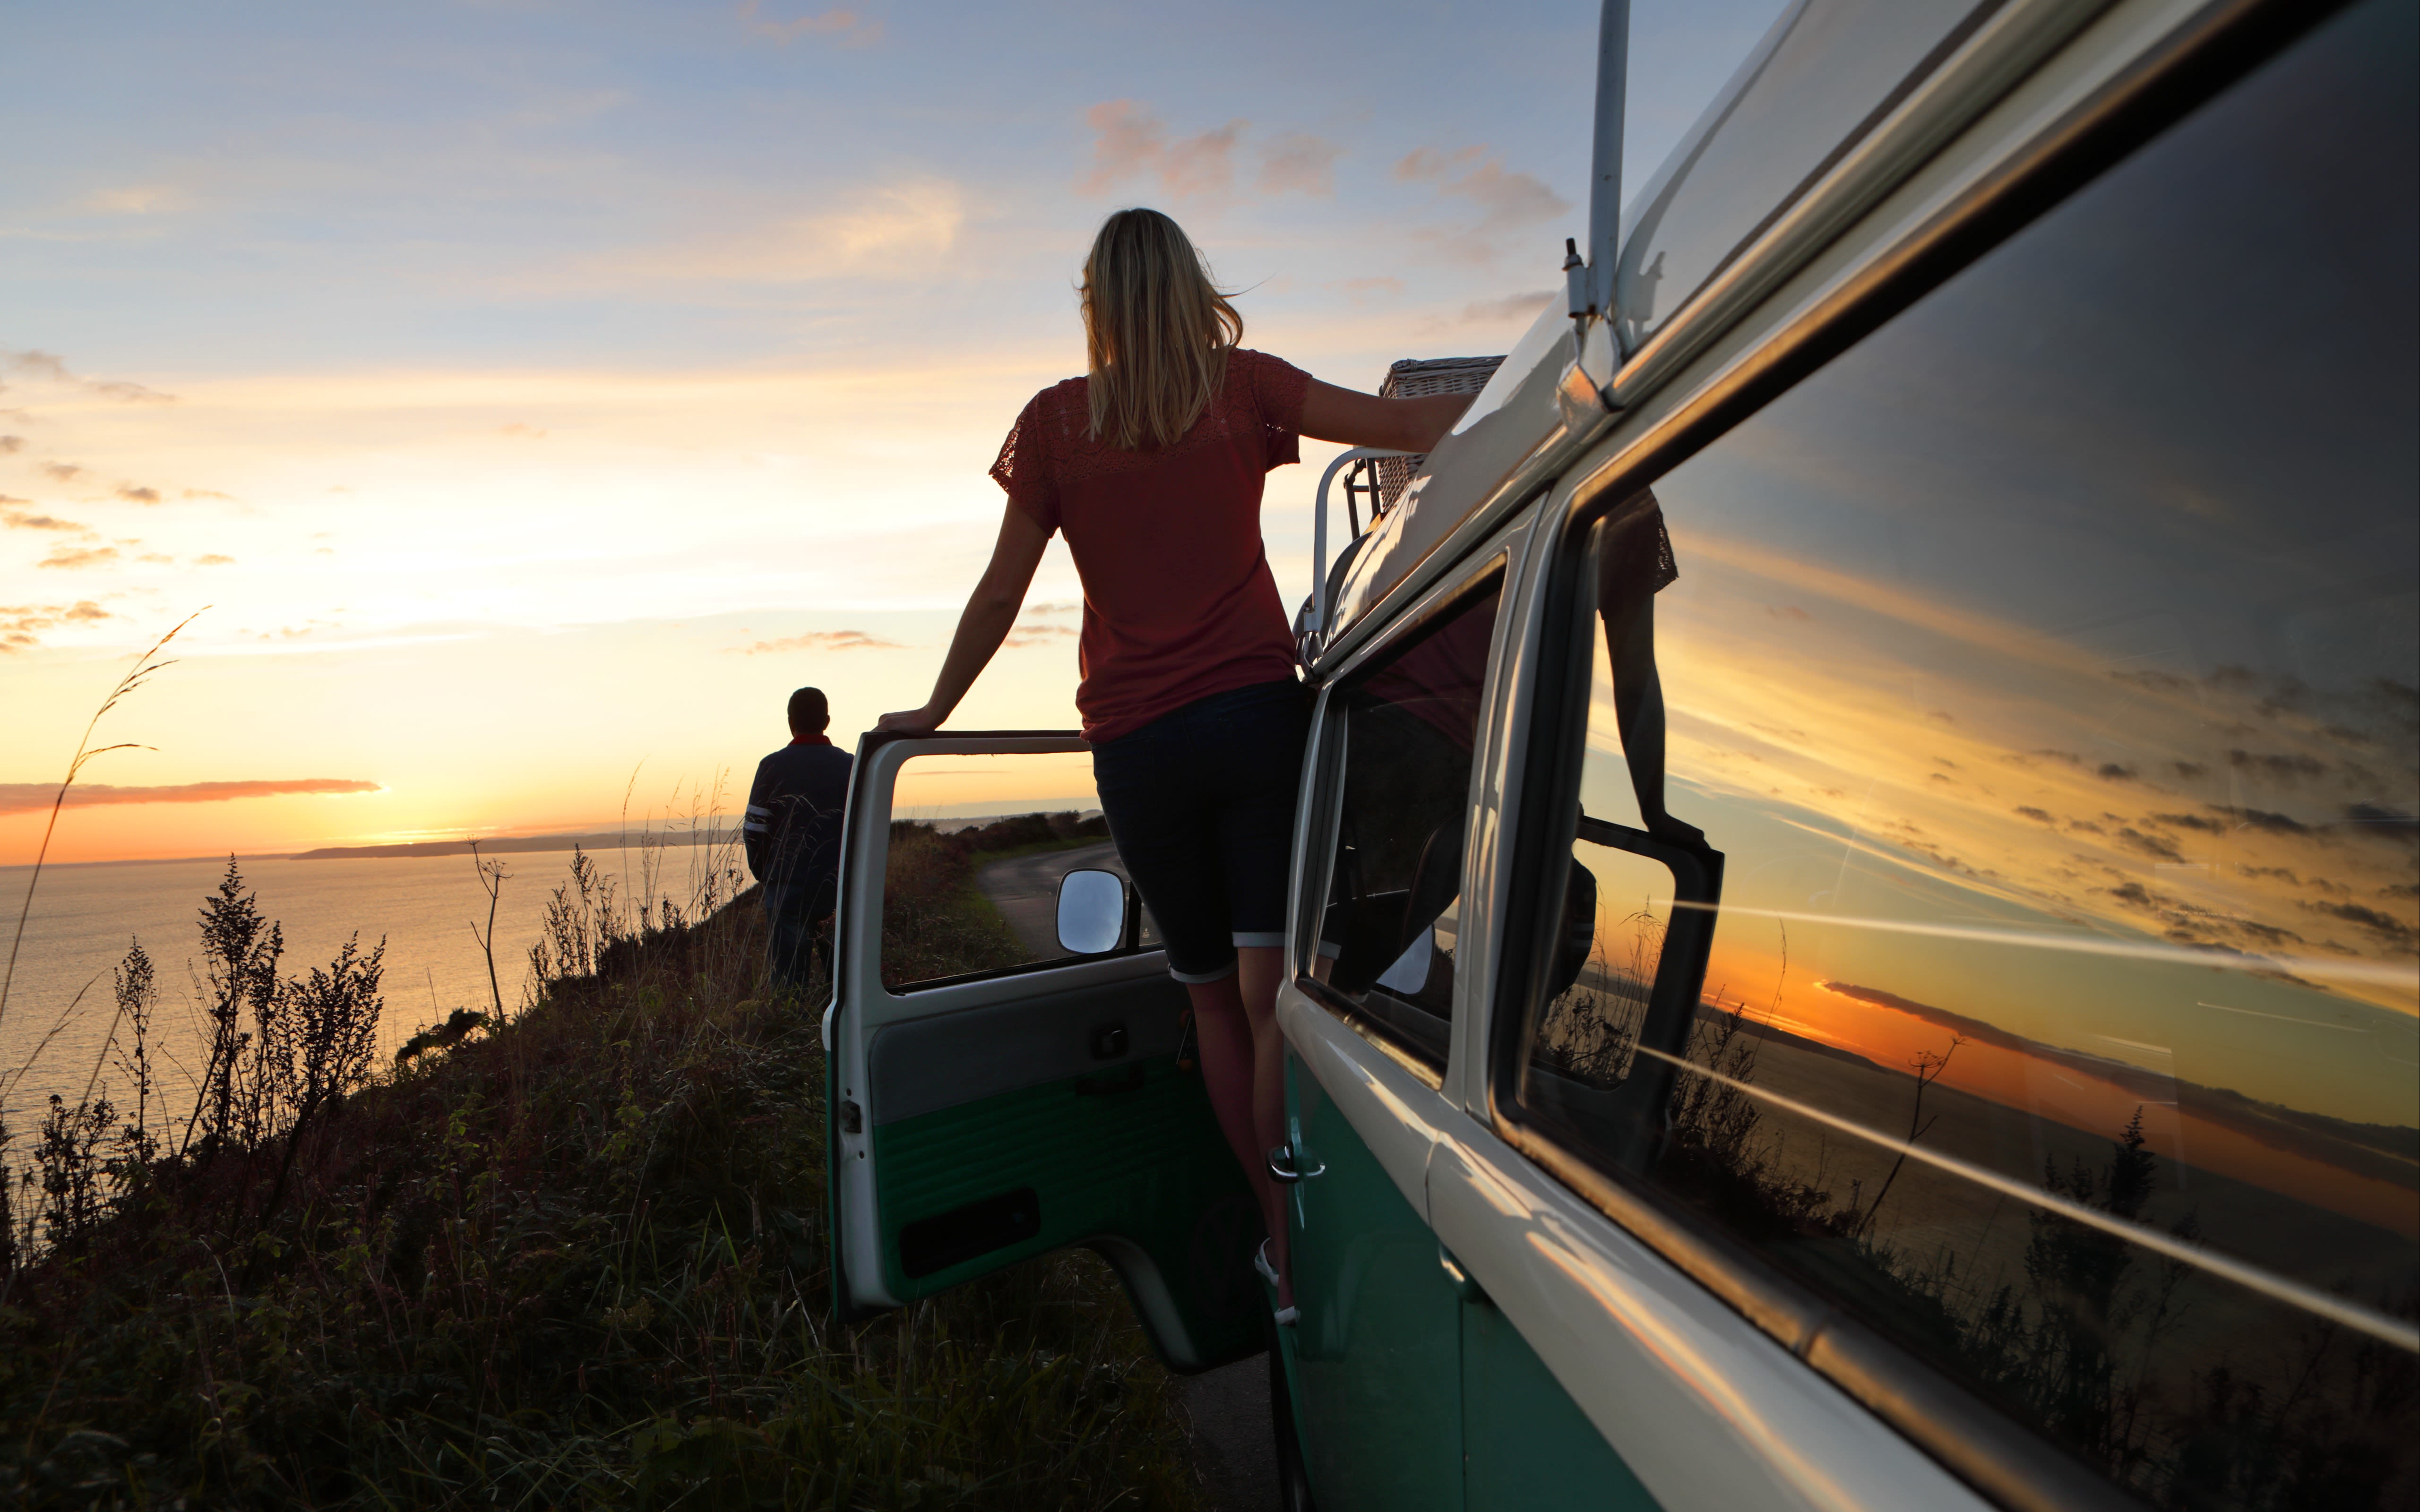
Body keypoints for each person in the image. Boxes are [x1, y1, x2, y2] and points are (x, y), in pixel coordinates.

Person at [876, 208, 1472, 1317]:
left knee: (1209, 1007)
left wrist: (933, 707)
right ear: (1191, 284)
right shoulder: (1242, 387)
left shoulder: (1055, 425)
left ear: (1095, 303)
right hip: (1255, 721)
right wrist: (1560, 384)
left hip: (1139, 747)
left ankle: (1282, 1249)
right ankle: (1329, 1216)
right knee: (1271, 997)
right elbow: (1404, 426)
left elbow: (1002, 591)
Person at [747, 686, 854, 997]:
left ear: (790, 721)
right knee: (843, 988)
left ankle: (793, 1039)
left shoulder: (771, 766)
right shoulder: (850, 765)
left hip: (787, 889)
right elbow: (865, 827)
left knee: (788, 987)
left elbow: (755, 831)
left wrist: (769, 877)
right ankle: (839, 1039)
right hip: (839, 891)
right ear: (827, 720)